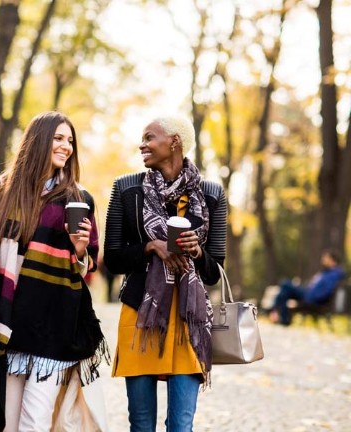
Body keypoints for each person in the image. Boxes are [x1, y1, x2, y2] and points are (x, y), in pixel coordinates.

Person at [0, 111, 109, 432]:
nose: (66, 147)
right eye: (58, 138)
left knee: (35, 422)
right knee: (7, 424)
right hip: (10, 327)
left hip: (55, 329)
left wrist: (80, 249)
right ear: (38, 141)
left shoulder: (79, 199)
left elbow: (88, 265)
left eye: (70, 141)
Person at [103, 114, 227, 431]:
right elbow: (113, 259)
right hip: (141, 315)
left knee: (181, 424)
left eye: (149, 137)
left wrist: (197, 252)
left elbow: (215, 272)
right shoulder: (126, 188)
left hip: (190, 318)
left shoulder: (212, 195)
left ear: (174, 141)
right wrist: (150, 247)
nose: (141, 144)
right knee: (142, 423)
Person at [270, 249, 345, 326]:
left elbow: (326, 291)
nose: (323, 259)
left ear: (332, 260)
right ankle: (282, 318)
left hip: (310, 297)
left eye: (326, 258)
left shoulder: (333, 274)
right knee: (284, 292)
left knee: (285, 283)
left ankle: (276, 313)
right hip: (308, 294)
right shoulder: (327, 272)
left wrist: (312, 297)